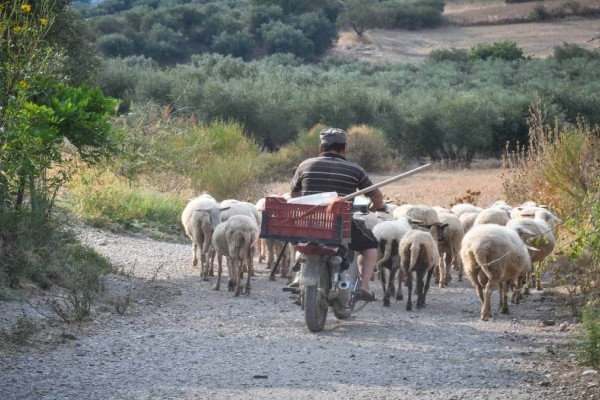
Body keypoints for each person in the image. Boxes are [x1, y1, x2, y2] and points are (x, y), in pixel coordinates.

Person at [289, 127, 387, 301]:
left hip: (310, 223)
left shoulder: (304, 165)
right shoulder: (355, 169)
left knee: (299, 238)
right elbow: (376, 195)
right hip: (340, 224)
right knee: (370, 245)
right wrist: (379, 206)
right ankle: (364, 286)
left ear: (321, 148)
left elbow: (294, 195)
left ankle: (298, 275)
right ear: (344, 148)